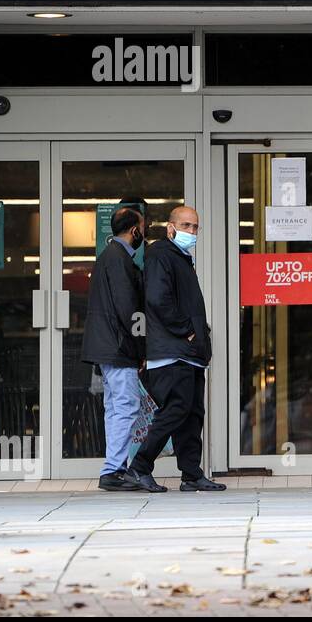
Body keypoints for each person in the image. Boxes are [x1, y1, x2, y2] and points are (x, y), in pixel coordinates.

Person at [125, 206, 225, 493]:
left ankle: (191, 474)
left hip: (188, 354)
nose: (191, 232)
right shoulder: (161, 254)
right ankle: (139, 467)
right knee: (175, 410)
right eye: (186, 226)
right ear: (170, 228)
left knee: (192, 414)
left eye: (195, 227)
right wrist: (188, 330)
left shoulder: (181, 258)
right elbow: (158, 299)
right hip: (172, 352)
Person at [80, 206, 146, 491]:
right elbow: (127, 307)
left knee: (115, 407)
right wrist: (140, 346)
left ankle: (113, 467)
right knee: (126, 405)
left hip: (106, 346)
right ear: (134, 230)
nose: (144, 232)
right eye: (143, 227)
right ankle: (113, 471)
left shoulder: (108, 256)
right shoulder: (119, 260)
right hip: (118, 347)